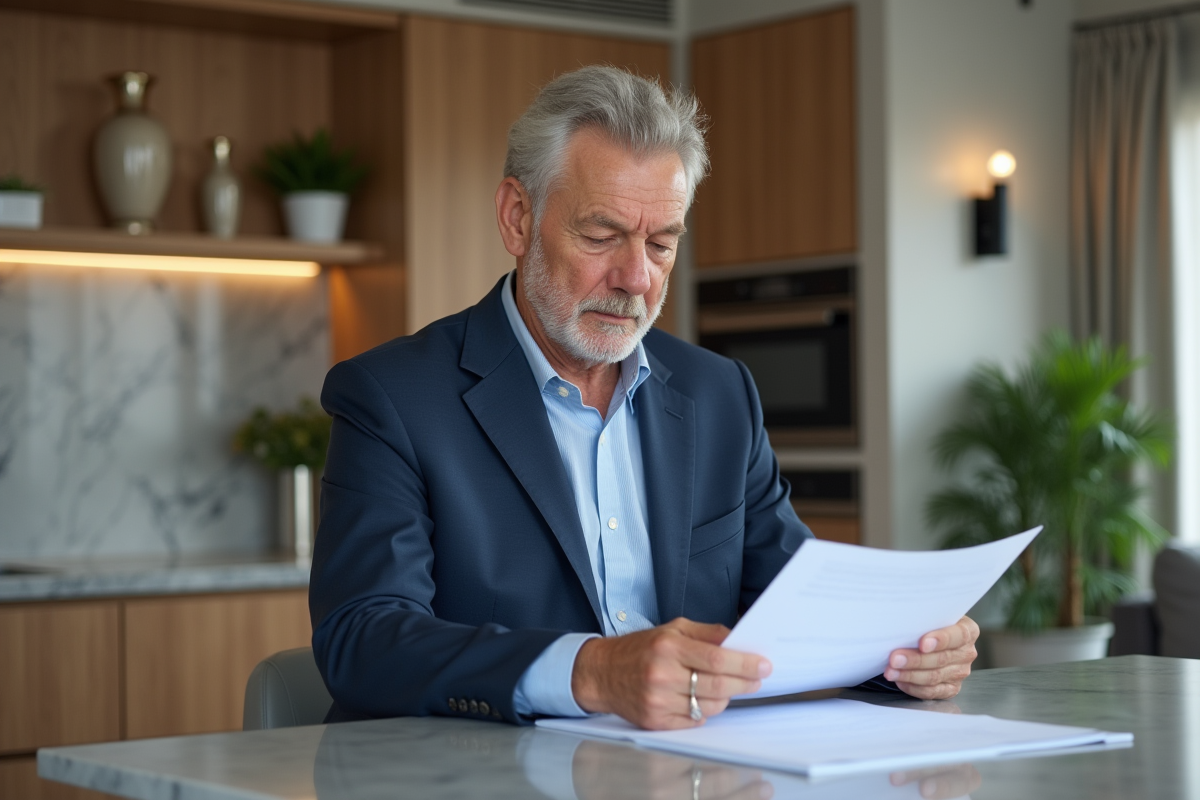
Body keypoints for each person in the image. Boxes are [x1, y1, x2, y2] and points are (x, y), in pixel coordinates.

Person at [310, 65, 978, 731]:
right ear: (518, 219)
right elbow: (363, 639)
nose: (636, 278)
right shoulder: (393, 398)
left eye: (662, 244)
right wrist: (593, 671)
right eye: (601, 236)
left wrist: (904, 652)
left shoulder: (719, 395)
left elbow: (791, 604)